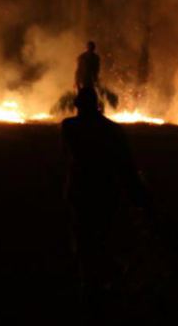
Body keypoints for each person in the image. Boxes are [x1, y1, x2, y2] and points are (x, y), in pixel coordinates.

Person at [61, 87, 150, 296]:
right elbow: (125, 163)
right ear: (97, 105)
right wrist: (138, 192)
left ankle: (90, 282)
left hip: (80, 190)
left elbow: (67, 158)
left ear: (77, 106)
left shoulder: (69, 127)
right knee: (103, 234)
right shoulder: (113, 130)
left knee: (84, 237)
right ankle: (103, 281)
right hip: (105, 189)